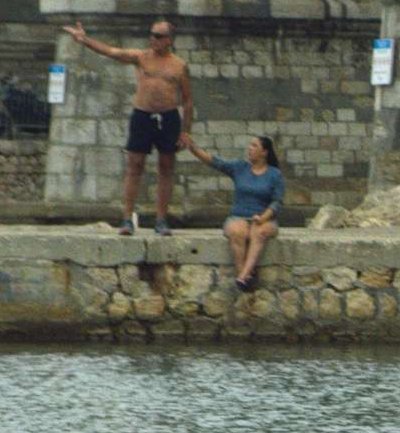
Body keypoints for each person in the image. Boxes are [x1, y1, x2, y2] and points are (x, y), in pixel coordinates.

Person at [61, 18, 194, 237]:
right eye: (151, 34)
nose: (153, 39)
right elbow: (112, 52)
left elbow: (187, 100)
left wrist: (186, 130)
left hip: (168, 116)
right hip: (142, 114)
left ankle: (161, 220)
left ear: (169, 40)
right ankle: (127, 218)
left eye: (158, 36)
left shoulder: (179, 65)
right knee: (135, 165)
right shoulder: (141, 57)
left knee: (166, 167)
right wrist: (84, 40)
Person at [179, 130, 285, 290]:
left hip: (264, 218)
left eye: (254, 146)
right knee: (237, 232)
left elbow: (277, 202)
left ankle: (243, 275)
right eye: (250, 145)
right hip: (239, 216)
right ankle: (244, 276)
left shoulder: (274, 174)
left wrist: (263, 217)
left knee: (259, 232)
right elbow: (213, 161)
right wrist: (192, 147)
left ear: (264, 152)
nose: (249, 148)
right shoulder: (240, 167)